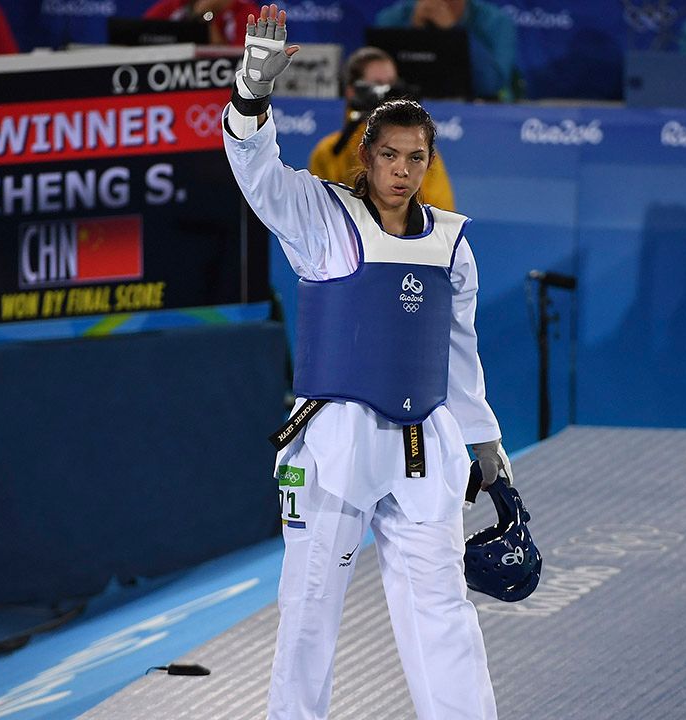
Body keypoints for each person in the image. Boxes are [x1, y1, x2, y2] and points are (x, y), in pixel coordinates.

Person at [223, 6, 511, 718]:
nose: (404, 171)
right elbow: (257, 173)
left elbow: (460, 355)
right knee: (309, 610)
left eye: (418, 158)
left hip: (425, 446)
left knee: (442, 609)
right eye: (391, 156)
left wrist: (489, 450)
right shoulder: (321, 218)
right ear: (366, 154)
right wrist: (251, 93)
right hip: (335, 444)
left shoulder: (452, 244)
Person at [308, 46, 456, 211]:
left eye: (392, 84)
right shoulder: (329, 152)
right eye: (378, 84)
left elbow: (440, 212)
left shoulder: (418, 150)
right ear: (352, 91)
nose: (388, 94)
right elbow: (321, 214)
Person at [374, 0, 518, 101]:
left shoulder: (497, 23)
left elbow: (490, 85)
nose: (439, 5)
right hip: (403, 110)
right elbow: (375, 80)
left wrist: (454, 32)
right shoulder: (393, 19)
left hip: (472, 113)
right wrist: (412, 32)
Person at [143, 0, 260, 46]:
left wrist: (206, 17)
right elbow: (140, 34)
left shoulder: (247, 14)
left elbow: (234, 63)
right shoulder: (176, 6)